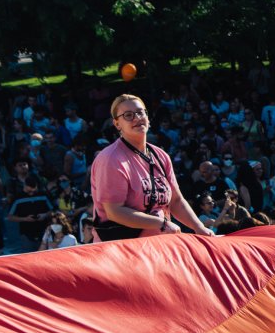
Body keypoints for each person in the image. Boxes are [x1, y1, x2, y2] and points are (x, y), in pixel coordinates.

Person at [90, 96, 214, 241]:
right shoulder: (111, 159)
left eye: (140, 112)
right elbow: (114, 212)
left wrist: (199, 227)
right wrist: (161, 223)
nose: (137, 118)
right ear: (117, 124)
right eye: (128, 115)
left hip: (158, 246)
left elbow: (176, 201)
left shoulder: (160, 156)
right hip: (121, 250)